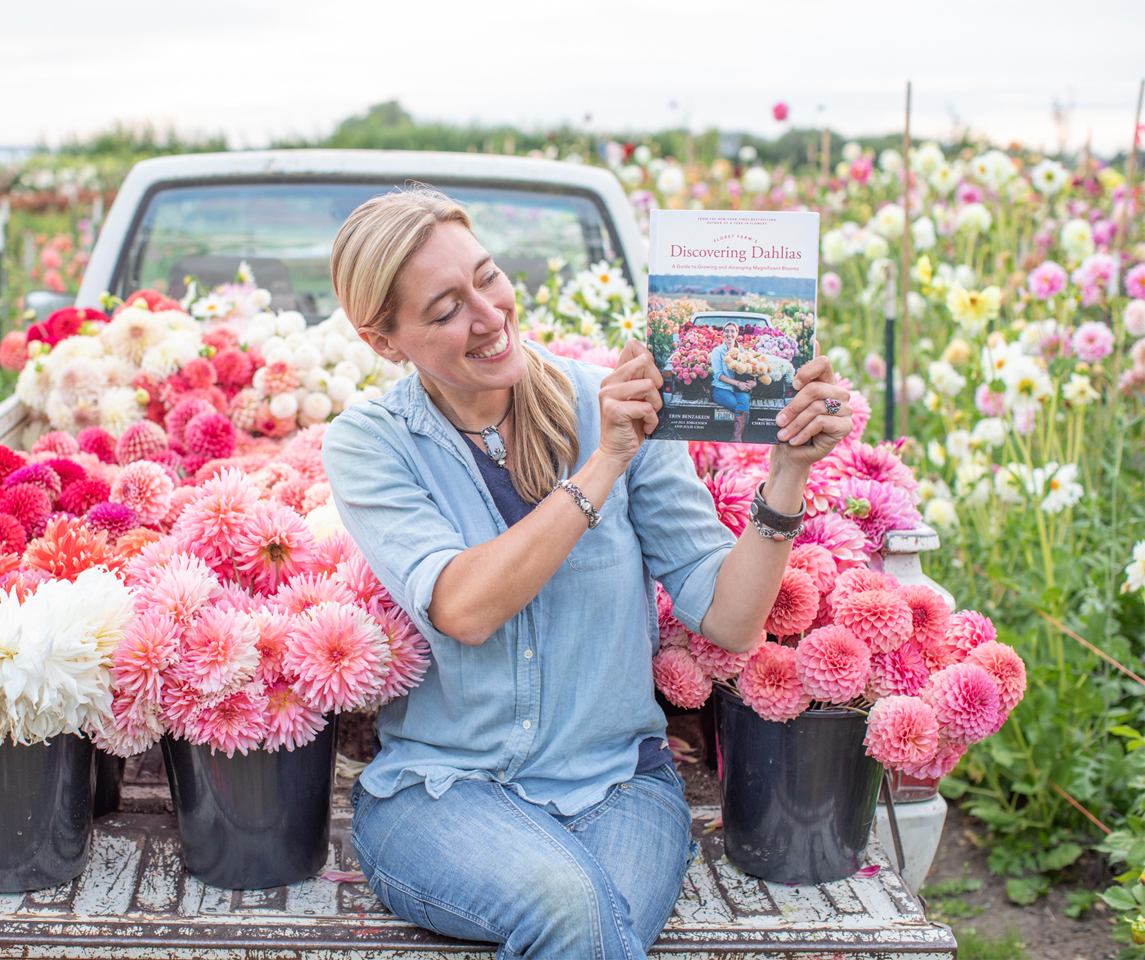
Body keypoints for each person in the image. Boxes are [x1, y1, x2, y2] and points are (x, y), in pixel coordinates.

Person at [321, 188, 853, 960]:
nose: (489, 313)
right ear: (384, 340)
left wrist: (787, 476)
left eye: (488, 276)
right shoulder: (372, 443)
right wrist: (605, 460)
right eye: (444, 310)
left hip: (617, 787)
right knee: (577, 913)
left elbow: (730, 619)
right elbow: (464, 606)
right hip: (442, 794)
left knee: (586, 925)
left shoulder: (609, 401)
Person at [708, 321, 756, 441]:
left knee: (744, 400)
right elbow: (718, 375)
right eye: (727, 331)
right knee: (741, 407)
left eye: (732, 331)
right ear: (723, 333)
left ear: (737, 333)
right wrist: (738, 383)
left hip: (739, 390)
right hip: (721, 389)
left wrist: (754, 383)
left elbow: (752, 372)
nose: (729, 334)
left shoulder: (744, 353)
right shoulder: (717, 351)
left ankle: (737, 438)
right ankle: (741, 439)